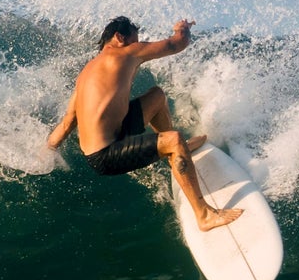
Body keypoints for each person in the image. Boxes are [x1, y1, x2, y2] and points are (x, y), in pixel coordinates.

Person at [46, 16, 242, 232]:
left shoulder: (86, 74)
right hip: (106, 154)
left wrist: (45, 152)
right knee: (174, 140)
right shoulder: (126, 52)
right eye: (135, 40)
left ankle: (176, 154)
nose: (138, 45)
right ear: (120, 37)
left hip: (113, 136)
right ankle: (204, 216)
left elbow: (67, 123)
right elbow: (176, 43)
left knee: (156, 96)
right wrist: (182, 28)